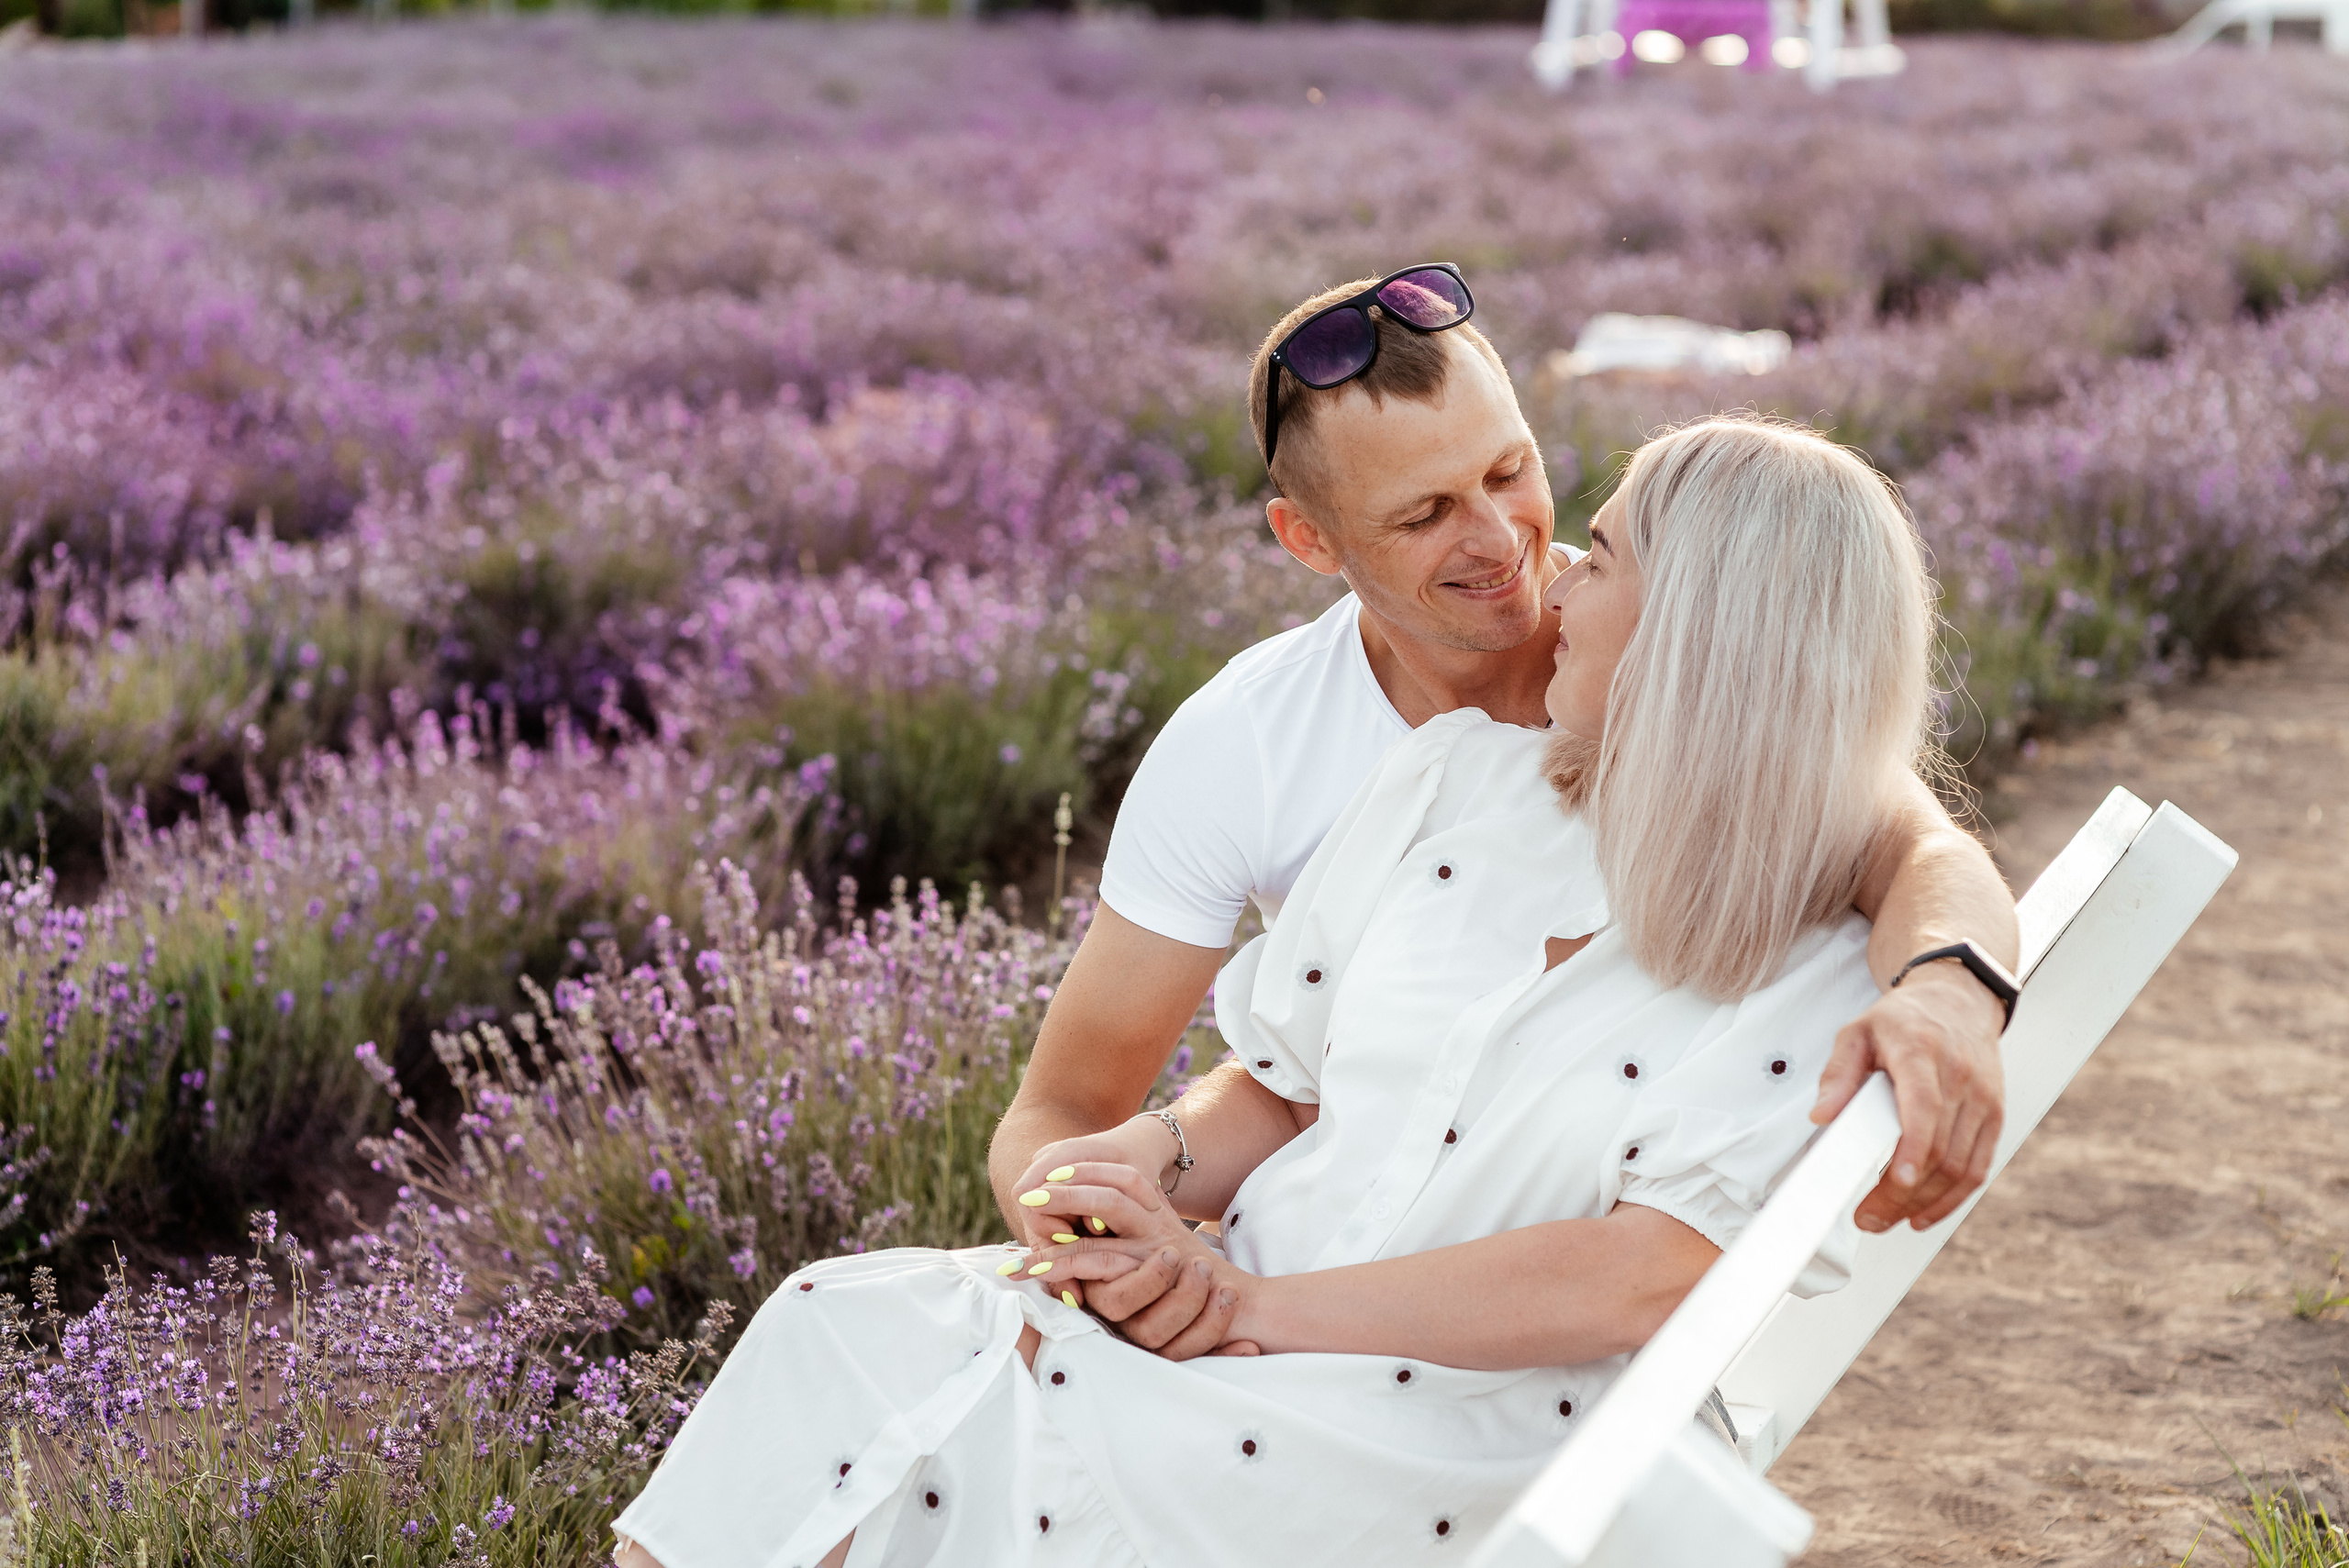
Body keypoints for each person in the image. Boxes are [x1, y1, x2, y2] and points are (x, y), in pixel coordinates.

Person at [610, 414, 1960, 1568]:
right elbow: (1281, 1088)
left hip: (1447, 1425)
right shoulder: (1459, 782)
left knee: (960, 1417)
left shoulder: (1818, 966)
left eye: (1597, 557)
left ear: (1706, 635)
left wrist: (1245, 1314)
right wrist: (1150, 1170)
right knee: (841, 1325)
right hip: (1250, 1311)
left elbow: (1644, 1276)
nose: (1553, 582)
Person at [988, 269, 2019, 1351]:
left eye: (1509, 470)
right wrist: (1100, 1241)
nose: (1507, 544)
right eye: (1425, 512)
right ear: (1310, 541)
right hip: (1312, 1266)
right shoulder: (1259, 742)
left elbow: (1909, 845)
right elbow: (1081, 1106)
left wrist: (1951, 990)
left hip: (1427, 1344)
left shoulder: (1670, 641)